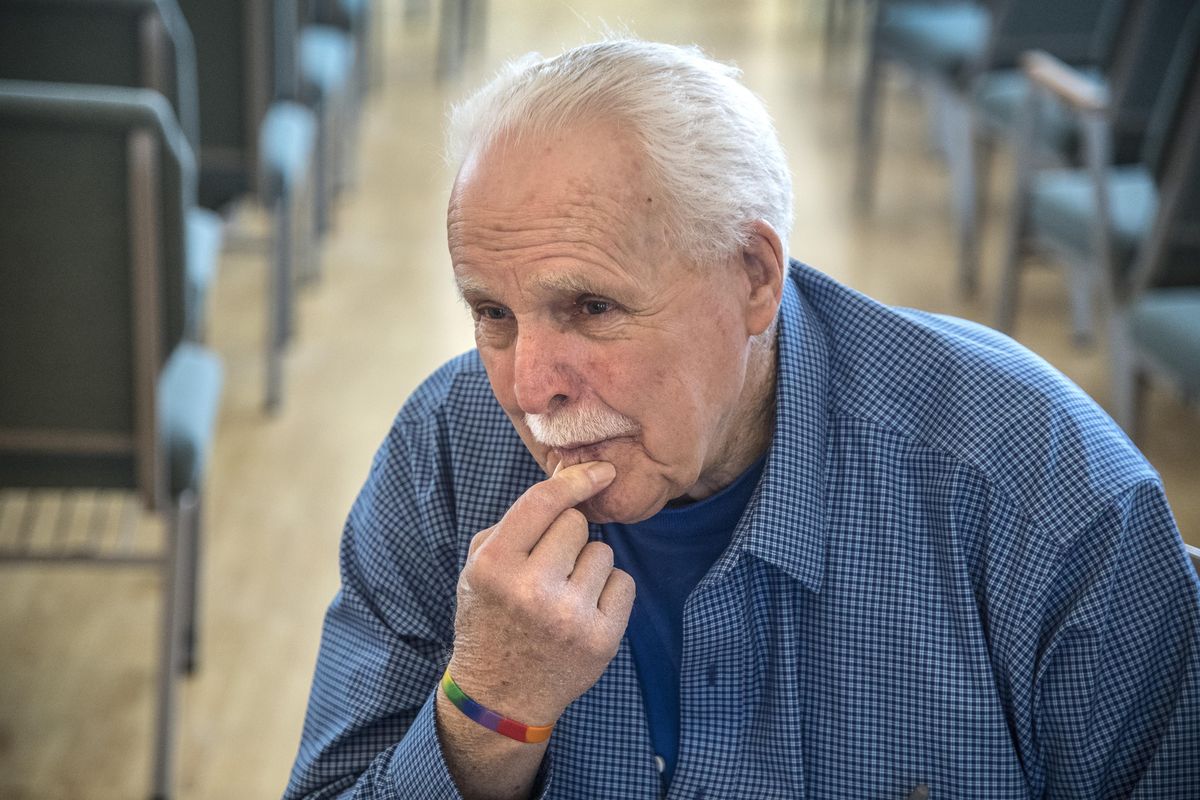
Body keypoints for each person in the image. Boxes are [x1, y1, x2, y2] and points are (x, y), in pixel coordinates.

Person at [285, 39, 1200, 799]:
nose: (530, 386)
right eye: (493, 314)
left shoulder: (1037, 484)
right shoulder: (444, 449)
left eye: (592, 309)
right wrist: (487, 712)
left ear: (754, 277)